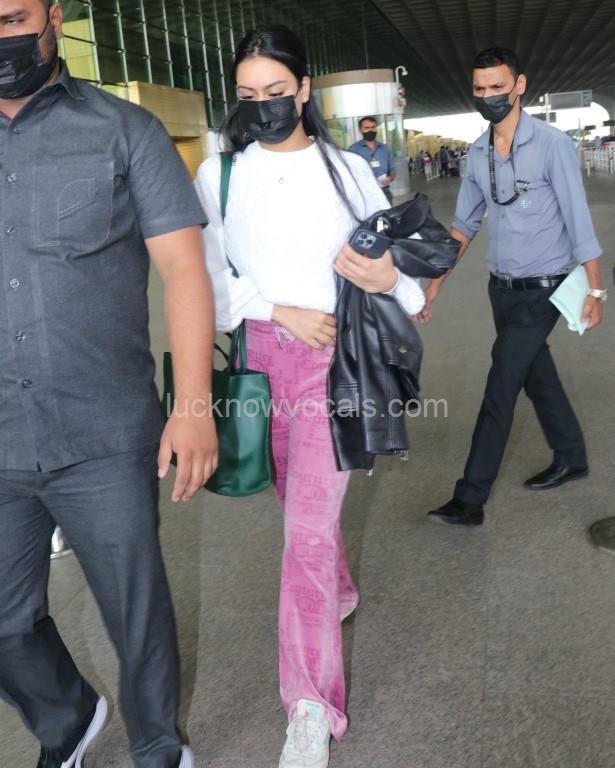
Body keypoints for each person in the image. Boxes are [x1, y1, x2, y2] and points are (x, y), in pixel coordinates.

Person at [194, 25, 424, 768]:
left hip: (333, 367)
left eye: (275, 92)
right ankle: (338, 590)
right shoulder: (219, 175)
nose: (261, 106)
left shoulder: (347, 171)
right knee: (294, 508)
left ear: (303, 91)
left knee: (308, 537)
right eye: (246, 95)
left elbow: (393, 273)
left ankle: (309, 706)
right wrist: (275, 310)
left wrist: (391, 280)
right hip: (258, 365)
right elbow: (205, 282)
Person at [0, 2, 218, 767]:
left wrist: (193, 405)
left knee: (134, 608)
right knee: (4, 620)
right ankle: (67, 718)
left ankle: (158, 743)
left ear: (54, 17)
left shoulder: (124, 130)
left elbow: (183, 269)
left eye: (12, 17)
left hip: (101, 426)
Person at [417, 47, 605, 526]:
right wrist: (436, 282)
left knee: (501, 385)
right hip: (500, 289)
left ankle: (470, 498)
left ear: (519, 86)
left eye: (497, 87)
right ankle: (571, 455)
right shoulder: (478, 153)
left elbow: (578, 220)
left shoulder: (551, 144)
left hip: (544, 289)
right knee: (538, 376)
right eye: (479, 89)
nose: (488, 96)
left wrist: (595, 291)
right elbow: (463, 226)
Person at [348, 115, 396, 202]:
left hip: (385, 193)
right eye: (366, 128)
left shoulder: (385, 148)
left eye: (373, 127)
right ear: (360, 130)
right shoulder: (353, 150)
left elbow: (392, 169)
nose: (370, 130)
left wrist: (390, 178)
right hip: (365, 195)